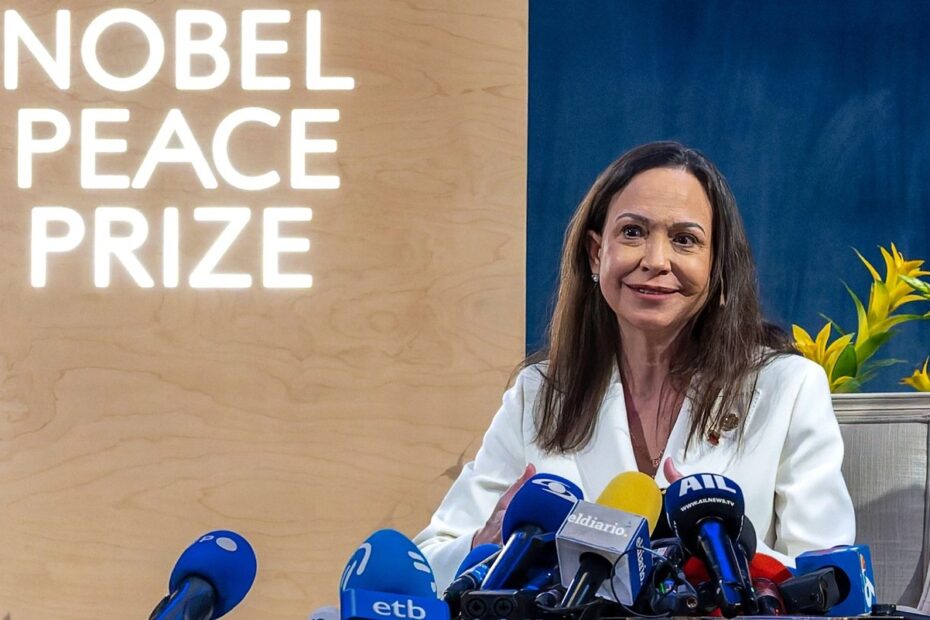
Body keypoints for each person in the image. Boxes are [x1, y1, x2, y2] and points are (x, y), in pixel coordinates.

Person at [413, 141, 855, 591]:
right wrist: (485, 543)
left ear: (717, 265)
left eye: (685, 240)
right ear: (595, 253)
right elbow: (428, 563)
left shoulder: (787, 389)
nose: (655, 261)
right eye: (632, 232)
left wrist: (719, 550)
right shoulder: (539, 394)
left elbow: (831, 580)